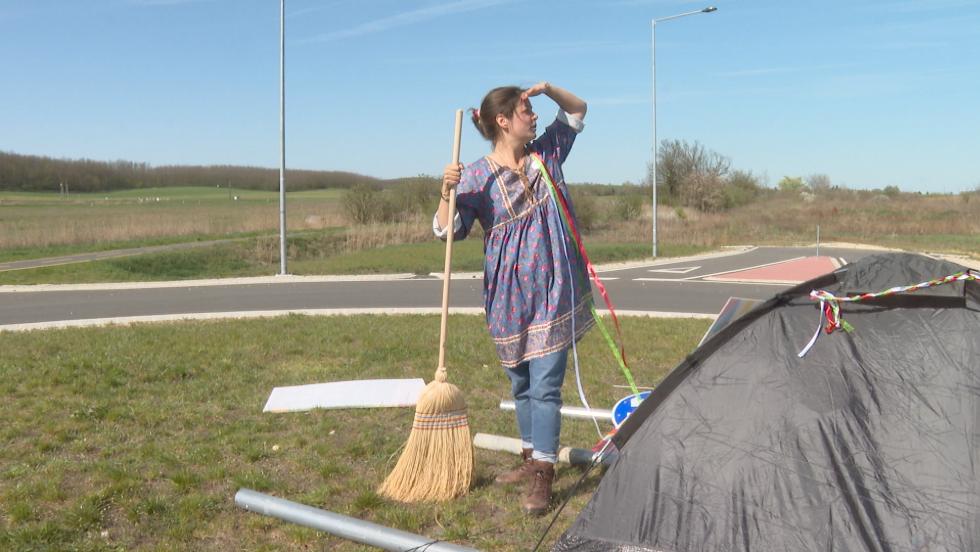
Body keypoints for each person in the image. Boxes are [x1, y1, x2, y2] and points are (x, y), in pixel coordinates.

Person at [434, 82, 593, 515]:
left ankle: (544, 473)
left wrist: (547, 90)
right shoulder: (477, 175)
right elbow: (449, 232)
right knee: (521, 382)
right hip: (507, 294)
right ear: (503, 121)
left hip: (554, 288)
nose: (534, 115)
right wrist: (446, 192)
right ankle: (529, 456)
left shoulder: (548, 154)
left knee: (544, 385)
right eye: (526, 109)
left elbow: (578, 108)